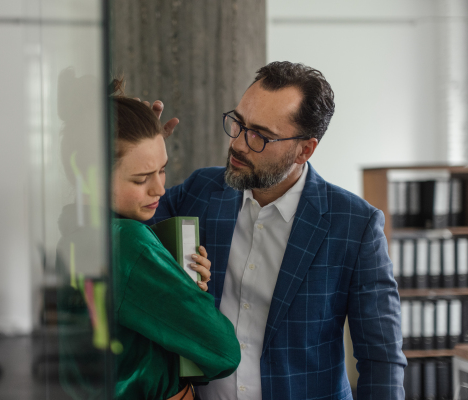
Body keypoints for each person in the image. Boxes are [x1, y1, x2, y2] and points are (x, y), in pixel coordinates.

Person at [147, 62, 406, 400]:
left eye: (260, 135)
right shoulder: (201, 191)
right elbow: (127, 233)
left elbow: (381, 359)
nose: (239, 144)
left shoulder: (355, 226)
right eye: (238, 123)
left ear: (305, 150)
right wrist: (137, 153)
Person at [110, 81, 241, 400]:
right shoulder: (128, 241)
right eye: (142, 178)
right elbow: (223, 351)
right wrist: (191, 297)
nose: (160, 189)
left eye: (162, 170)